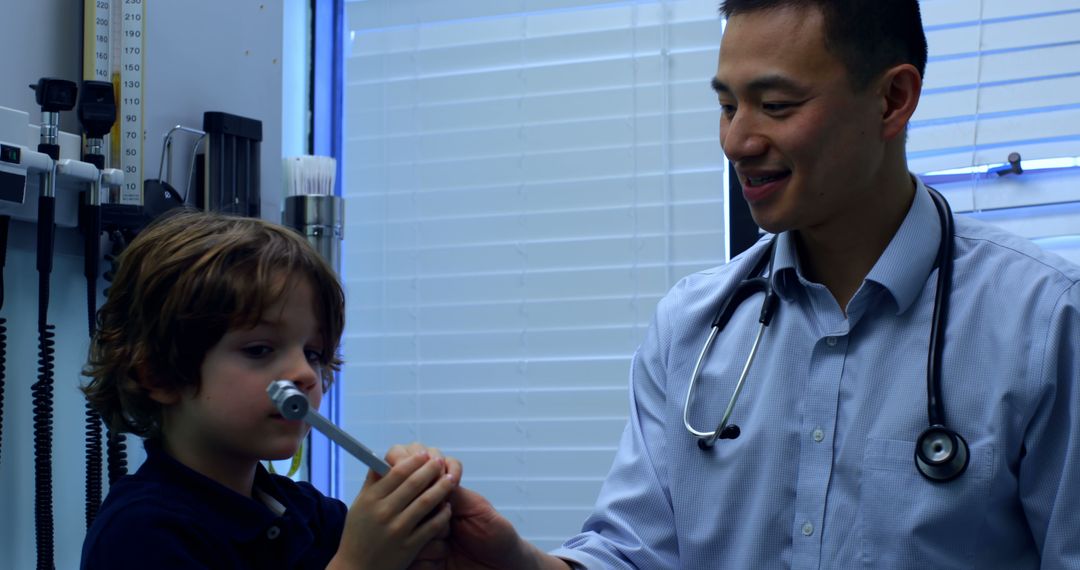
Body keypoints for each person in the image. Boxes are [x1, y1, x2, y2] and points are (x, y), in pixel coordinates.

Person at [394, 0, 1080, 568]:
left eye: (776, 106)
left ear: (893, 100)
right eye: (727, 106)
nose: (737, 141)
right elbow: (635, 554)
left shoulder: (1045, 322)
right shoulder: (691, 325)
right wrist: (514, 560)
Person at [81, 210, 461, 569]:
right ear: (158, 376)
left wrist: (424, 529)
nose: (305, 374)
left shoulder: (308, 514)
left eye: (313, 353)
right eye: (259, 350)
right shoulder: (141, 534)